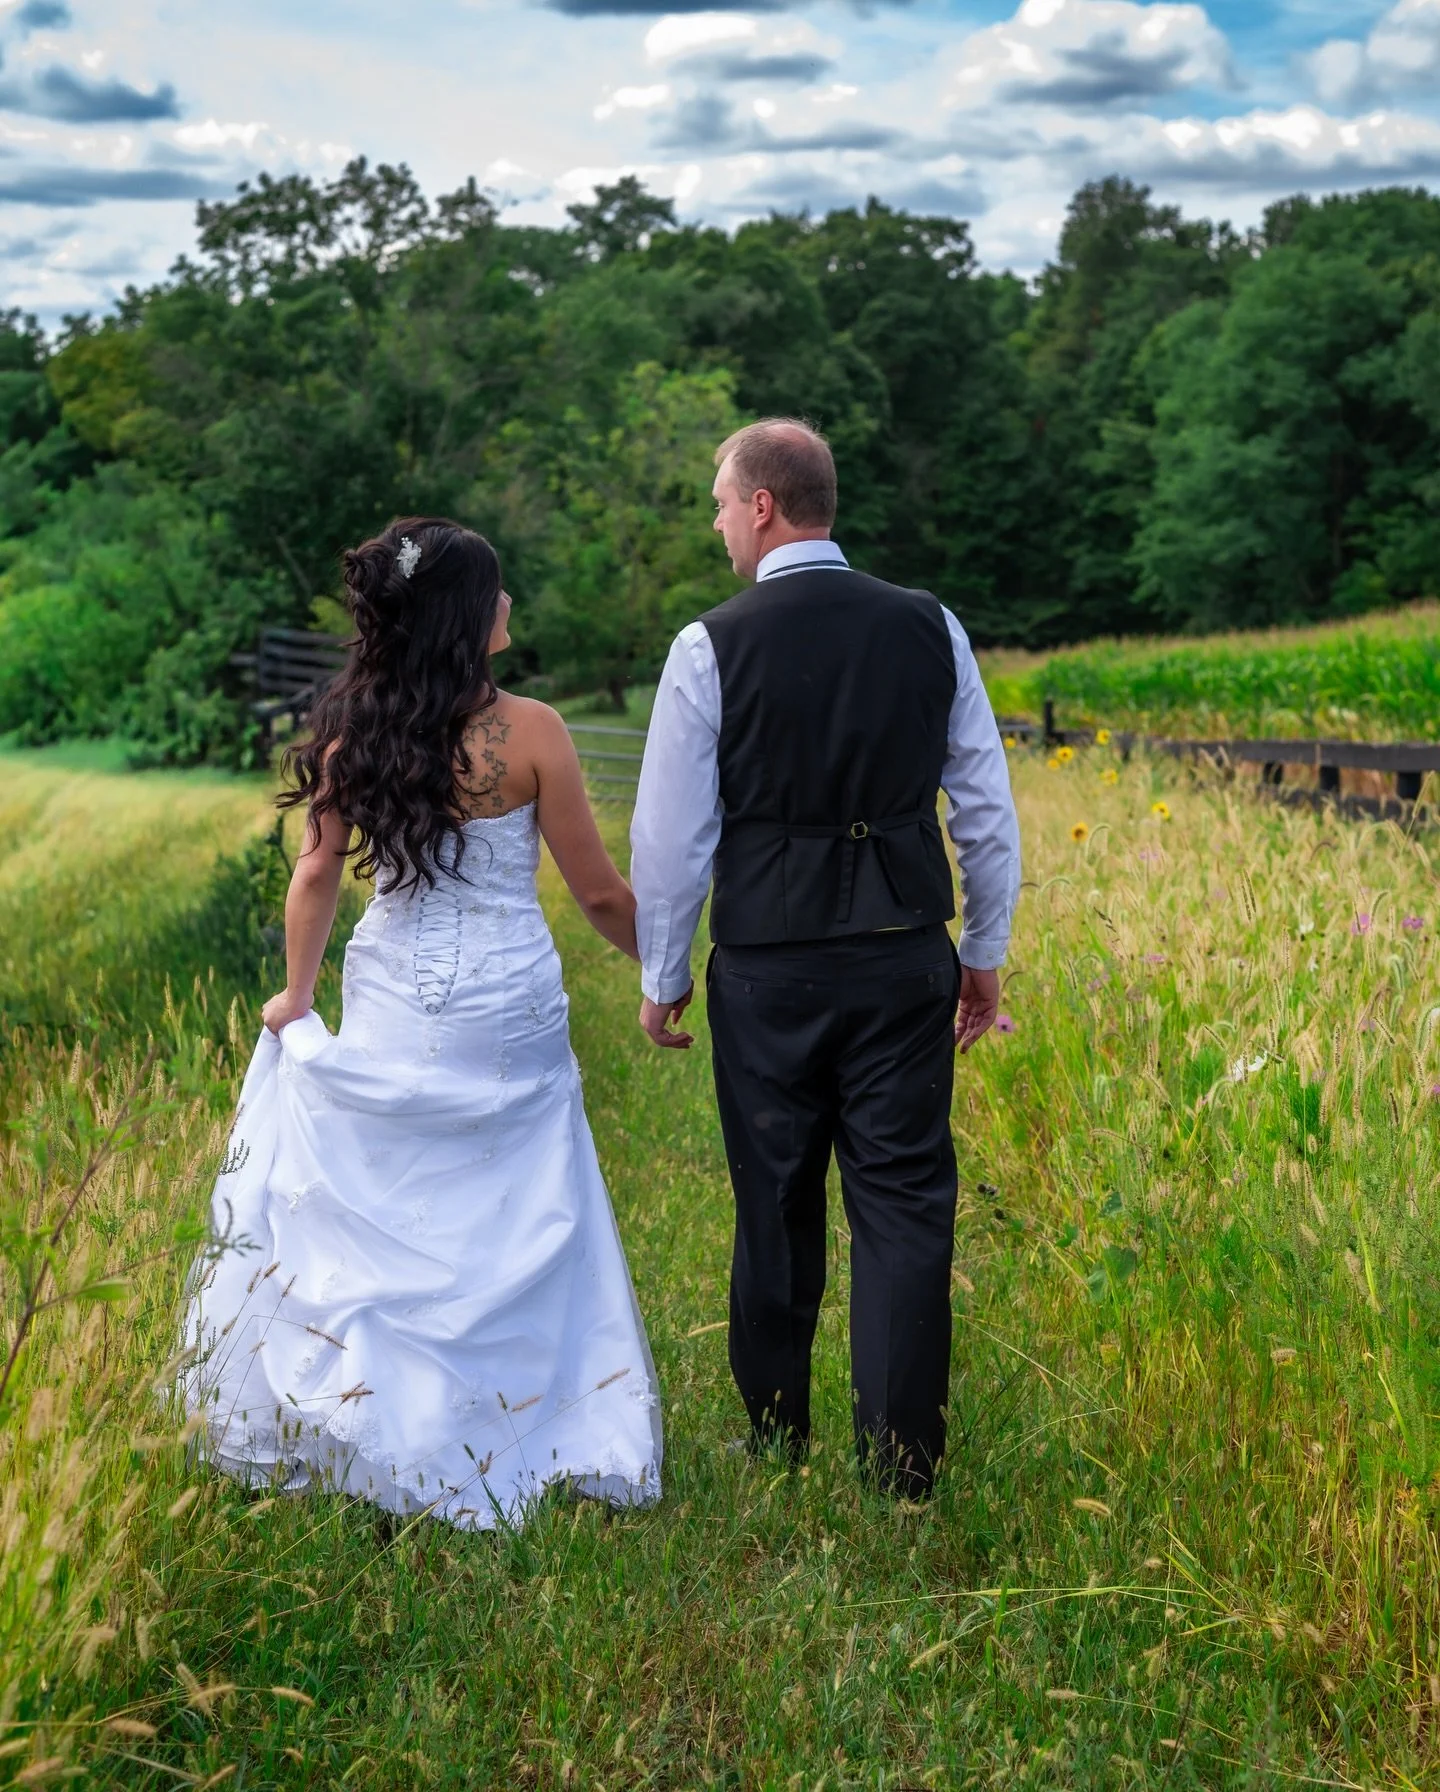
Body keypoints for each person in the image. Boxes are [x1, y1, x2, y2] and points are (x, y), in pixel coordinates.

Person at [182, 517, 661, 1529]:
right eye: (498, 590)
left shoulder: (356, 728)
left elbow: (317, 871)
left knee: (397, 1193)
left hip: (396, 985)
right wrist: (666, 967)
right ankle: (525, 1418)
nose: (510, 604)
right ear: (465, 613)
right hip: (506, 999)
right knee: (519, 1193)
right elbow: (598, 893)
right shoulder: (532, 731)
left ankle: (381, 1415)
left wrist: (297, 998)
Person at [630, 420, 1020, 1498]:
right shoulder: (931, 624)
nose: (717, 524)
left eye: (721, 503)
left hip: (769, 962)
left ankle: (774, 1435)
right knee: (904, 1201)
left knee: (773, 1193)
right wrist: (984, 949)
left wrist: (665, 972)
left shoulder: (708, 645)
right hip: (905, 954)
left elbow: (671, 838)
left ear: (763, 506)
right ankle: (901, 1465)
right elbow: (985, 808)